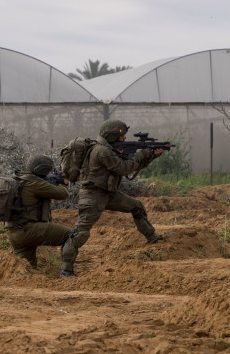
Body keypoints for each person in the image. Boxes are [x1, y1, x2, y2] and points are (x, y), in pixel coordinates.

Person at [62, 119, 165, 278]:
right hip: (93, 196)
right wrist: (143, 154)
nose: (124, 139)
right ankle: (66, 269)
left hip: (109, 194)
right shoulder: (102, 151)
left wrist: (150, 155)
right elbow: (124, 168)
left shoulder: (110, 149)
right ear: (112, 136)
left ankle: (153, 238)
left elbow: (131, 165)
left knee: (137, 206)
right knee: (81, 232)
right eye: (122, 136)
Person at [4, 155, 78, 278]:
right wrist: (62, 183)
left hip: (14, 231)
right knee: (72, 236)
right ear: (43, 170)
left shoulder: (19, 179)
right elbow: (63, 194)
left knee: (27, 271)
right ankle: (67, 272)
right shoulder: (36, 183)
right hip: (29, 231)